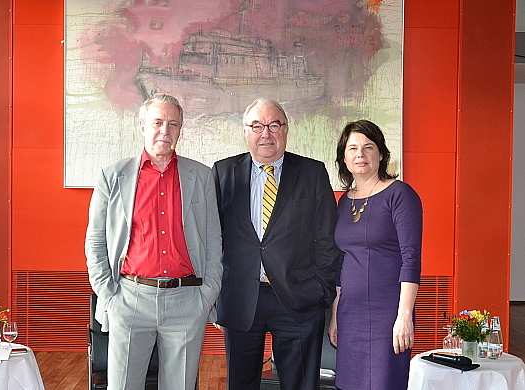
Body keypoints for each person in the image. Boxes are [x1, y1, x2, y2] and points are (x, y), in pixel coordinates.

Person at [85, 93, 223, 390]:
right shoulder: (113, 176)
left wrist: (207, 294)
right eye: (158, 122)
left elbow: (214, 239)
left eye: (173, 124)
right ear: (143, 126)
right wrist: (108, 295)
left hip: (187, 300)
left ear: (180, 130)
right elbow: (95, 241)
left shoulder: (201, 176)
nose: (165, 130)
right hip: (130, 299)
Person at [212, 98, 341, 390]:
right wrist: (216, 296)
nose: (265, 133)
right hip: (241, 298)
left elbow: (328, 240)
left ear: (286, 129)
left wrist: (320, 290)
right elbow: (212, 240)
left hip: (298, 299)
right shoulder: (223, 173)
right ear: (246, 131)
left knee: (298, 384)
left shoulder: (312, 172)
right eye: (257, 126)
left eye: (273, 125)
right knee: (241, 383)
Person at [329, 119, 422, 390]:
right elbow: (341, 259)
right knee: (348, 384)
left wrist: (404, 316)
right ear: (344, 158)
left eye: (368, 147)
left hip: (387, 315)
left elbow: (411, 258)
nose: (360, 154)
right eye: (353, 148)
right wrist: (336, 313)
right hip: (350, 313)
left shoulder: (400, 194)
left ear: (381, 154)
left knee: (384, 383)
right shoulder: (344, 201)